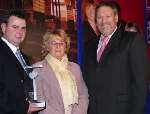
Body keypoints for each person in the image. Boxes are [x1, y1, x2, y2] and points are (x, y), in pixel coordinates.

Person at [83, 1, 150, 114]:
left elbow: (140, 85)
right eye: (99, 17)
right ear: (96, 20)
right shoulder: (89, 46)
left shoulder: (132, 40)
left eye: (108, 16)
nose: (104, 21)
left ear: (116, 18)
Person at [33, 29, 89, 114]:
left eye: (61, 43)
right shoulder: (38, 69)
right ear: (47, 46)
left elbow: (83, 95)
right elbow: (38, 98)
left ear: (66, 46)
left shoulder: (75, 68)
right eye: (54, 43)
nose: (58, 46)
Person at [0, 9, 43, 114]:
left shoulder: (23, 56)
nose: (20, 32)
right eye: (15, 27)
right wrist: (24, 108)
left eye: (23, 28)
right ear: (3, 27)